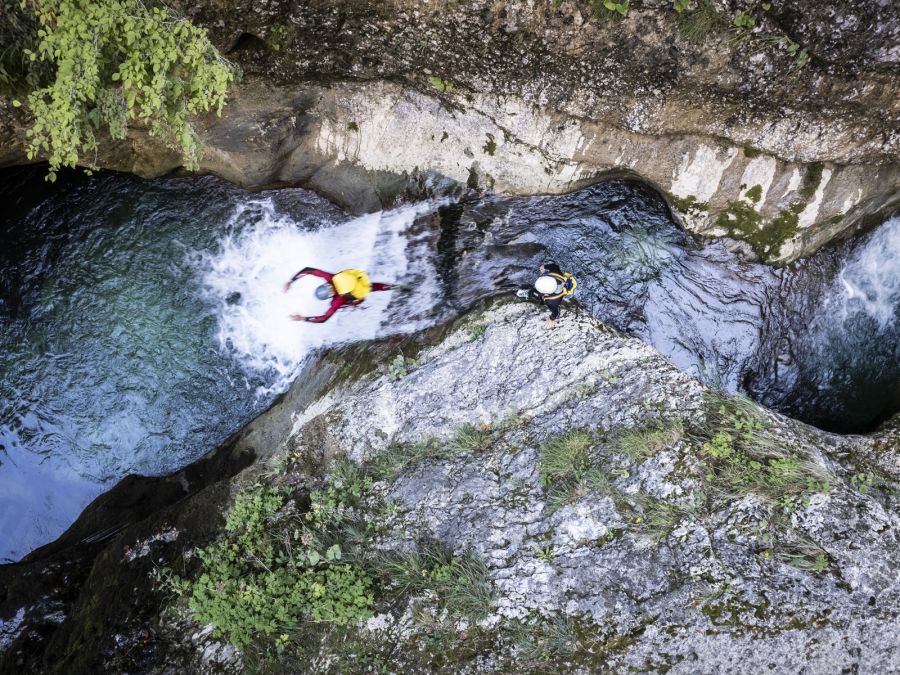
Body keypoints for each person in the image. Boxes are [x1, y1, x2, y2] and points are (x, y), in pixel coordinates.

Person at [283, 267, 392, 323]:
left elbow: (323, 319)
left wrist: (303, 318)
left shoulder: (338, 300)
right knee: (369, 287)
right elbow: (309, 270)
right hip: (359, 279)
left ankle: (359, 304)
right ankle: (388, 286)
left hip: (357, 297)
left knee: (358, 295)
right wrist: (291, 281)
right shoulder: (330, 278)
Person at [516, 261, 577, 327]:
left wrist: (551, 319)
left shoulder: (551, 302)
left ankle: (530, 293)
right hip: (559, 284)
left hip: (557, 294)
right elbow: (553, 266)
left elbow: (556, 312)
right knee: (537, 293)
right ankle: (531, 293)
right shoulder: (554, 272)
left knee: (538, 296)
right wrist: (544, 268)